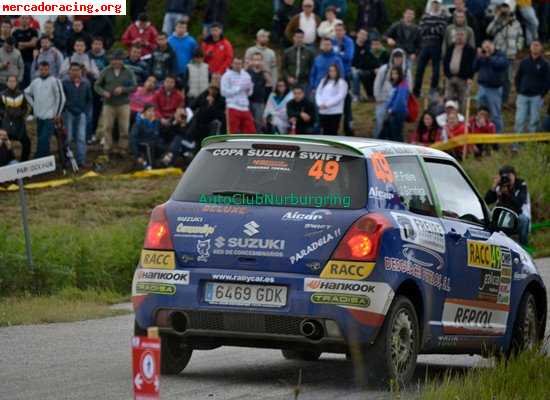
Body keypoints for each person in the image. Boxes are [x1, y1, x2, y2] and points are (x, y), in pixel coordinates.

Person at [94, 50, 137, 157]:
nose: (116, 62)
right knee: (107, 127)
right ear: (111, 60)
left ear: (122, 61)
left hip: (124, 104)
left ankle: (123, 149)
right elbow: (97, 85)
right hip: (108, 104)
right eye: (114, 60)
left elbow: (134, 87)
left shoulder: (128, 72)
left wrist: (123, 89)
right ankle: (107, 149)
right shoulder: (105, 71)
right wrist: (103, 92)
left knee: (124, 128)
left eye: (119, 60)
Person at [24, 61, 66, 158]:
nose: (43, 71)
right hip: (39, 117)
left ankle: (37, 161)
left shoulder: (55, 81)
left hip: (50, 117)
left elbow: (61, 98)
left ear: (49, 69)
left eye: (45, 69)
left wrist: (57, 114)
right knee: (41, 140)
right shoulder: (35, 81)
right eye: (41, 69)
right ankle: (46, 164)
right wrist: (33, 105)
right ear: (38, 70)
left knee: (43, 139)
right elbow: (26, 93)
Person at [486, 3, 524, 105]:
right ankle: (494, 99)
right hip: (498, 54)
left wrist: (518, 47)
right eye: (503, 7)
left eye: (506, 8)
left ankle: (504, 100)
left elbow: (520, 36)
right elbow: (489, 31)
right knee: (496, 77)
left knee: (507, 79)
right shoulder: (497, 21)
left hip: (510, 55)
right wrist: (497, 18)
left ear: (510, 9)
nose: (504, 10)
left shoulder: (516, 22)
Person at [485, 165, 531, 246]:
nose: (506, 179)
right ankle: (491, 243)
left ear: (514, 175)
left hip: (517, 215)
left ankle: (523, 246)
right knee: (488, 217)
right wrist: (494, 186)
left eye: (508, 176)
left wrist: (508, 193)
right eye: (503, 176)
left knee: (523, 220)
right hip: (502, 215)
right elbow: (487, 201)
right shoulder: (500, 186)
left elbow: (518, 204)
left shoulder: (521, 185)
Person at [373, 48, 412, 137]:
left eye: (400, 57)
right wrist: (377, 97)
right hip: (382, 100)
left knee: (394, 128)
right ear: (392, 58)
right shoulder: (384, 69)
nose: (398, 59)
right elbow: (377, 83)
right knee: (380, 123)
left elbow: (409, 86)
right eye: (396, 57)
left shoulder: (406, 71)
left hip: (397, 105)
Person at [413, 0, 448, 98]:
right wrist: (433, 29)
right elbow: (420, 30)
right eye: (434, 3)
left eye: (437, 3)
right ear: (431, 4)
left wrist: (428, 29)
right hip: (425, 46)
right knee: (420, 69)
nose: (435, 5)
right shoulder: (425, 16)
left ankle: (433, 90)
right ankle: (416, 90)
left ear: (440, 5)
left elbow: (442, 30)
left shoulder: (442, 16)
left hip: (436, 45)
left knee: (436, 70)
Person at [514, 40, 549, 136]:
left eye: (537, 45)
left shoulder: (545, 64)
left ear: (541, 48)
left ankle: (530, 145)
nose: (535, 47)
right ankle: (516, 146)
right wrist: (518, 90)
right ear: (530, 48)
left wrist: (542, 94)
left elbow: (547, 81)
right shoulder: (524, 62)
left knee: (534, 121)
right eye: (533, 45)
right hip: (522, 96)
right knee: (519, 120)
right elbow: (518, 77)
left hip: (536, 97)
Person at [473, 40, 508, 133]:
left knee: (495, 114)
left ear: (493, 46)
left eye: (488, 47)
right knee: (480, 112)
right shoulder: (482, 56)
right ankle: (481, 132)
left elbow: (501, 65)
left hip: (494, 89)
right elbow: (474, 68)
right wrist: (478, 57)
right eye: (485, 47)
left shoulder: (500, 55)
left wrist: (489, 57)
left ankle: (497, 136)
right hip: (482, 87)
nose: (486, 49)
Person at [62, 63, 92, 167]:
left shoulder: (86, 83)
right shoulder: (64, 83)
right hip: (68, 113)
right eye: (73, 70)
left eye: (77, 70)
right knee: (68, 137)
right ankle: (68, 160)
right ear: (69, 71)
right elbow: (62, 99)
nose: (75, 72)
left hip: (81, 113)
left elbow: (89, 99)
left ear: (81, 71)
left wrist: (84, 111)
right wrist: (68, 108)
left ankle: (81, 161)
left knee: (81, 137)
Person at [443, 29, 476, 112]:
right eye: (458, 35)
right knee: (448, 100)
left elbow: (473, 65)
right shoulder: (450, 47)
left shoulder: (470, 49)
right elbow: (445, 61)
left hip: (463, 79)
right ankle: (449, 118)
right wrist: (446, 74)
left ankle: (461, 119)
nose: (459, 37)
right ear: (455, 36)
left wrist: (470, 77)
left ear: (465, 37)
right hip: (450, 77)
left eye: (462, 35)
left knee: (463, 100)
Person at [221, 57, 255, 134]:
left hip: (245, 107)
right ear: (232, 64)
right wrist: (238, 88)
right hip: (233, 106)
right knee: (233, 132)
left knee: (250, 132)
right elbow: (223, 92)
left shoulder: (246, 75)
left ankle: (247, 146)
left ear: (242, 64)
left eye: (239, 64)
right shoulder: (226, 76)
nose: (238, 65)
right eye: (236, 63)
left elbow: (250, 93)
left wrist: (249, 89)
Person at [0, 75, 30, 161]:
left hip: (19, 126)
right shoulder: (2, 95)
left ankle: (23, 163)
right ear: (6, 83)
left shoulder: (21, 95)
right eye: (10, 81)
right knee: (4, 144)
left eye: (14, 81)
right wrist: (5, 114)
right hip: (6, 127)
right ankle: (9, 163)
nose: (12, 83)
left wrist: (21, 114)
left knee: (27, 143)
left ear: (16, 83)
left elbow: (25, 108)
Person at [316, 64, 348, 135]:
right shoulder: (323, 81)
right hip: (323, 111)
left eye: (334, 71)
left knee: (332, 133)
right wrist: (320, 104)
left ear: (337, 72)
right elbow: (318, 93)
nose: (332, 72)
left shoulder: (342, 82)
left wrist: (327, 104)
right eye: (330, 71)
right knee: (324, 132)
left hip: (335, 112)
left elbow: (340, 96)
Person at [379, 66, 409, 142]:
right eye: (392, 74)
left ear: (400, 74)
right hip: (393, 113)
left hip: (397, 113)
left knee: (396, 136)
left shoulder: (403, 84)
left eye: (396, 74)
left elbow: (400, 100)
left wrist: (392, 110)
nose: (394, 76)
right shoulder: (396, 85)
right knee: (390, 135)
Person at [130, 103, 162, 170]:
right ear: (144, 112)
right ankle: (150, 166)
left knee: (161, 144)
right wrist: (137, 155)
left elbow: (157, 134)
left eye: (153, 111)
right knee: (149, 145)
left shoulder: (156, 122)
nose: (151, 113)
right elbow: (133, 139)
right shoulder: (138, 123)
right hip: (141, 143)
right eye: (149, 111)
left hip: (153, 142)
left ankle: (160, 163)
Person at [246, 52, 271, 133]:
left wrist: (263, 69)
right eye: (255, 59)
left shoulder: (264, 72)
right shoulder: (247, 71)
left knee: (258, 123)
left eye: (259, 60)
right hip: (248, 101)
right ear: (252, 61)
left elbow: (270, 83)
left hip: (259, 101)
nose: (257, 62)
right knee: (248, 123)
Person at [12, 16, 39, 88]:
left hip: (30, 61)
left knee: (29, 82)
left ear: (29, 20)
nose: (24, 20)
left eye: (26, 18)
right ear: (19, 20)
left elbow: (33, 43)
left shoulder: (33, 31)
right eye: (23, 18)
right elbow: (15, 46)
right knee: (20, 83)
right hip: (18, 62)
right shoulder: (15, 32)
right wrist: (28, 44)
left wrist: (21, 43)